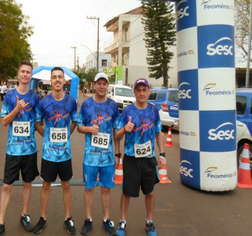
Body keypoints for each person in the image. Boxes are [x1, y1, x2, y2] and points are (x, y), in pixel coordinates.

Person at [0, 60, 40, 236]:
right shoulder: (11, 96)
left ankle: (24, 215)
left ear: (31, 75)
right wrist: (17, 109)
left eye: (28, 72)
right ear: (18, 74)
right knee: (6, 186)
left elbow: (38, 121)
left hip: (30, 150)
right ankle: (0, 223)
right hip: (13, 149)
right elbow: (4, 121)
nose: (25, 75)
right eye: (23, 72)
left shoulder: (35, 97)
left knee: (28, 184)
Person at [115, 78, 165, 236]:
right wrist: (125, 129)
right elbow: (116, 135)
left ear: (149, 91)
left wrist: (162, 154)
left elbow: (158, 132)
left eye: (145, 90)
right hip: (131, 158)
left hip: (148, 159)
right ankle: (122, 221)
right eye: (139, 90)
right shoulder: (128, 111)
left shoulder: (154, 110)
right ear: (134, 92)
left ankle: (149, 222)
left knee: (149, 192)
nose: (142, 93)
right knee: (126, 192)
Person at [33, 67, 78, 235]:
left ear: (64, 80)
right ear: (50, 81)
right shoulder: (43, 102)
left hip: (65, 154)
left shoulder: (71, 102)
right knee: (45, 185)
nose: (57, 80)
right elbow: (37, 123)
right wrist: (47, 137)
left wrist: (66, 136)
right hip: (48, 154)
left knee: (66, 185)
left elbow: (74, 121)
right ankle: (42, 218)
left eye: (60, 77)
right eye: (54, 77)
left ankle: (68, 218)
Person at [77, 72, 121, 236]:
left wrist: (117, 154)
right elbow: (79, 126)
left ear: (107, 86)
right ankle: (88, 219)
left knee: (106, 189)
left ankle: (106, 220)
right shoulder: (87, 104)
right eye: (99, 83)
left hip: (108, 157)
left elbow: (116, 131)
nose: (102, 86)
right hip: (90, 156)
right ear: (94, 85)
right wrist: (89, 129)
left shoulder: (113, 105)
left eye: (104, 83)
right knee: (89, 188)